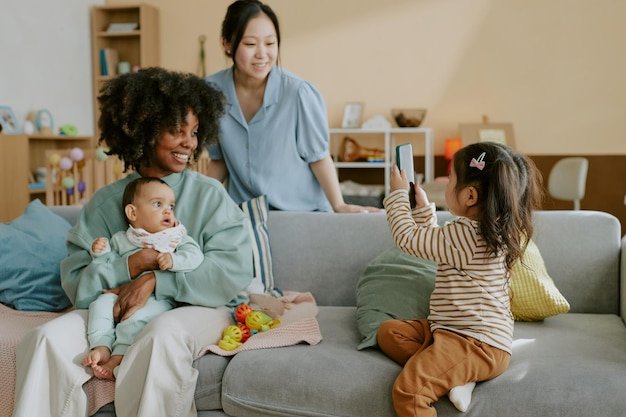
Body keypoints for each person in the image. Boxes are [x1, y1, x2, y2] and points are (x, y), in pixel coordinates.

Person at [13, 67, 253, 417]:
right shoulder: (104, 203)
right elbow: (78, 285)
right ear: (144, 128)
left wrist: (155, 279)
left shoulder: (210, 196)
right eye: (177, 130)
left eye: (195, 132)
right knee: (43, 340)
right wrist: (131, 264)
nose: (190, 142)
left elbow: (231, 273)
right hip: (114, 310)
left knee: (159, 337)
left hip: (201, 307)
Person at [377, 142, 542, 416]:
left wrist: (396, 195)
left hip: (474, 342)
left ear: (470, 196)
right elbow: (436, 244)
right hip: (453, 330)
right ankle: (455, 375)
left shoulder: (466, 235)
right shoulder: (485, 230)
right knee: (389, 333)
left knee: (409, 392)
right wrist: (423, 210)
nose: (446, 185)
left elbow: (408, 239)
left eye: (450, 179)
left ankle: (451, 372)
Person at [204, 0, 380, 213]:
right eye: (250, 44)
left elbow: (319, 157)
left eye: (270, 44)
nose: (262, 54)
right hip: (245, 216)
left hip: (302, 214)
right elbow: (219, 160)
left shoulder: (299, 93)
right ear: (227, 43)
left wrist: (339, 205)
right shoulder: (211, 91)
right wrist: (198, 204)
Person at [83, 177, 204, 380]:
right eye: (158, 204)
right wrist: (101, 253)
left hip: (159, 298)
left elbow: (195, 256)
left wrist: (174, 260)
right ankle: (102, 345)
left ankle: (118, 356)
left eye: (171, 206)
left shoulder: (176, 237)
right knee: (100, 304)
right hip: (120, 293)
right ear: (132, 213)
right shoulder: (122, 239)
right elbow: (109, 266)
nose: (167, 210)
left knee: (137, 317)